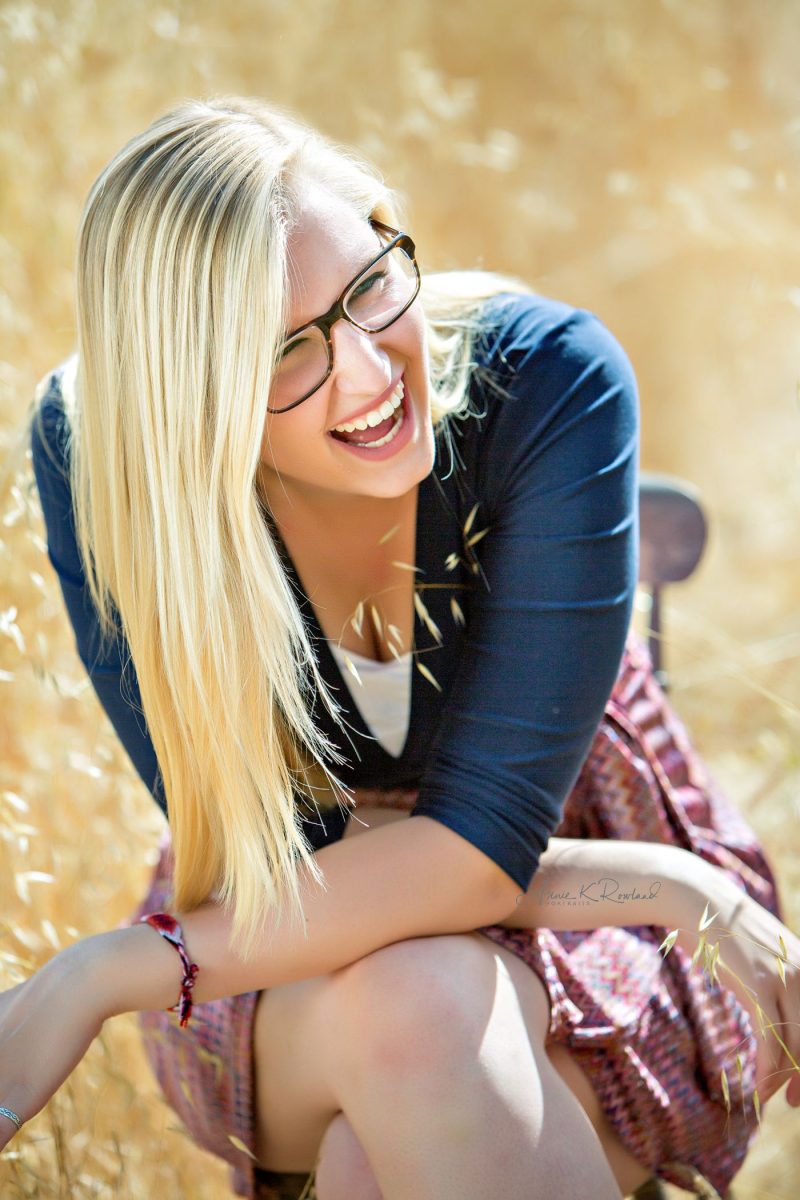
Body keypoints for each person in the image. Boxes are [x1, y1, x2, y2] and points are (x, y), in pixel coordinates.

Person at [3, 95, 799, 1200]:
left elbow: (477, 852)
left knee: (372, 1141)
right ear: (189, 403)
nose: (372, 377)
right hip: (273, 953)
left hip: (606, 933)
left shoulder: (545, 384)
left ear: (386, 227)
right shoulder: (104, 461)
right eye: (286, 353)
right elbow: (302, 868)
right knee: (413, 1005)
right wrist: (648, 883)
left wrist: (103, 973)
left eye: (369, 288)